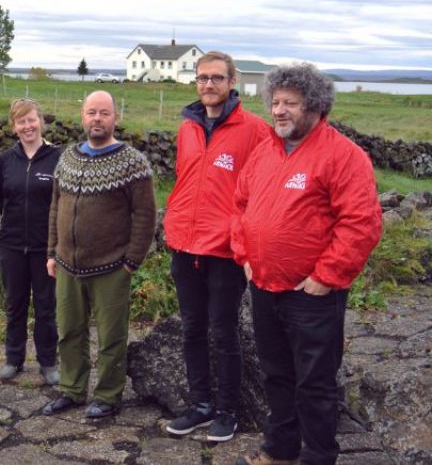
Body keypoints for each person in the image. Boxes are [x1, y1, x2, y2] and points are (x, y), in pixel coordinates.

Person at [231, 64, 382, 465]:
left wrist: (326, 277)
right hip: (264, 286)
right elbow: (241, 206)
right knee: (276, 377)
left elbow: (361, 223)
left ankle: (318, 456)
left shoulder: (343, 155)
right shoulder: (265, 152)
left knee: (315, 384)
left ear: (315, 106)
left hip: (311, 295)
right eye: (275, 102)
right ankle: (279, 452)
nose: (279, 111)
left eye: (290, 103)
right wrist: (244, 255)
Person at [163, 51, 270, 442]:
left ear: (232, 82)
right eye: (202, 78)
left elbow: (261, 191)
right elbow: (184, 177)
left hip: (225, 250)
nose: (208, 85)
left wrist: (242, 239)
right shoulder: (187, 127)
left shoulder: (255, 130)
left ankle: (228, 410)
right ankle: (201, 405)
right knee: (192, 329)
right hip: (185, 246)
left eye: (217, 78)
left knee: (223, 332)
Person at [41, 90, 157, 418]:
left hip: (112, 266)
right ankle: (72, 389)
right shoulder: (67, 157)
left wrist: (132, 261)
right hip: (66, 264)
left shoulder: (132, 162)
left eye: (104, 113)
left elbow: (146, 215)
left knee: (111, 336)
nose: (97, 119)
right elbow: (55, 207)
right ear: (82, 116)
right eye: (91, 112)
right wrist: (52, 251)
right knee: (69, 332)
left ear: (115, 118)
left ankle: (107, 395)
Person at [0, 98, 61, 385]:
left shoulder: (57, 158)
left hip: (45, 247)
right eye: (21, 122)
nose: (27, 126)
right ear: (14, 127)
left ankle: (48, 362)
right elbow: (0, 198)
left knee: (46, 306)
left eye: (31, 120)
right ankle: (13, 359)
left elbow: (64, 202)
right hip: (12, 245)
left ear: (41, 121)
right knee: (15, 304)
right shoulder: (6, 161)